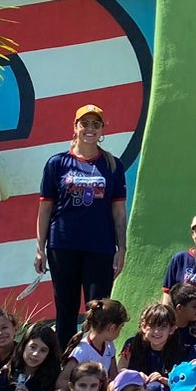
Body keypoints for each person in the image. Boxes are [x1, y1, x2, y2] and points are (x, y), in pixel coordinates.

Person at [36, 103, 127, 349]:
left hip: (100, 246)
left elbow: (118, 212)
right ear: (75, 127)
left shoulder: (112, 165)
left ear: (102, 130)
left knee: (99, 310)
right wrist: (39, 248)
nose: (90, 129)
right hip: (63, 245)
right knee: (65, 307)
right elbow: (45, 209)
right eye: (84, 123)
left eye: (95, 124)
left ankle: (95, 363)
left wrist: (122, 248)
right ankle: (65, 363)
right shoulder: (57, 163)